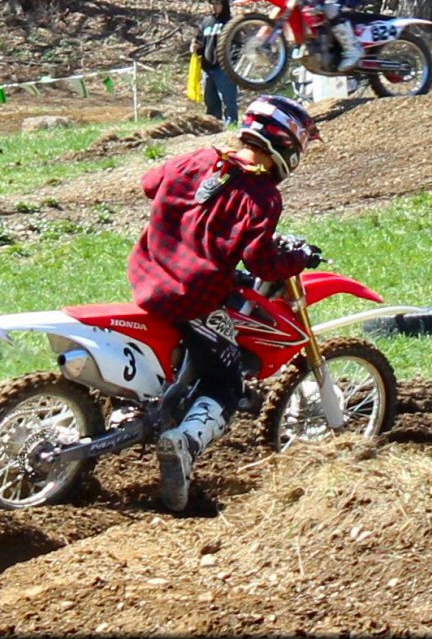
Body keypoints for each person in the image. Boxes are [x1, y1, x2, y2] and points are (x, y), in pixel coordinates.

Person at [127, 95, 322, 512]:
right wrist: (299, 258)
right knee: (227, 380)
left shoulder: (196, 159)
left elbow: (148, 183)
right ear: (286, 148)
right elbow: (261, 262)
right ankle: (185, 442)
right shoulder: (262, 194)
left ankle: (156, 398)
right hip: (191, 296)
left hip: (147, 275)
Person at [191, 0, 239, 127]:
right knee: (210, 100)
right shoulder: (206, 22)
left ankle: (231, 125)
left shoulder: (230, 22)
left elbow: (238, 44)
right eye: (212, 4)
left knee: (228, 100)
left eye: (217, 3)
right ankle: (213, 126)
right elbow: (200, 41)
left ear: (224, 5)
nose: (214, 7)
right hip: (207, 67)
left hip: (224, 68)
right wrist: (195, 47)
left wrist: (232, 62)